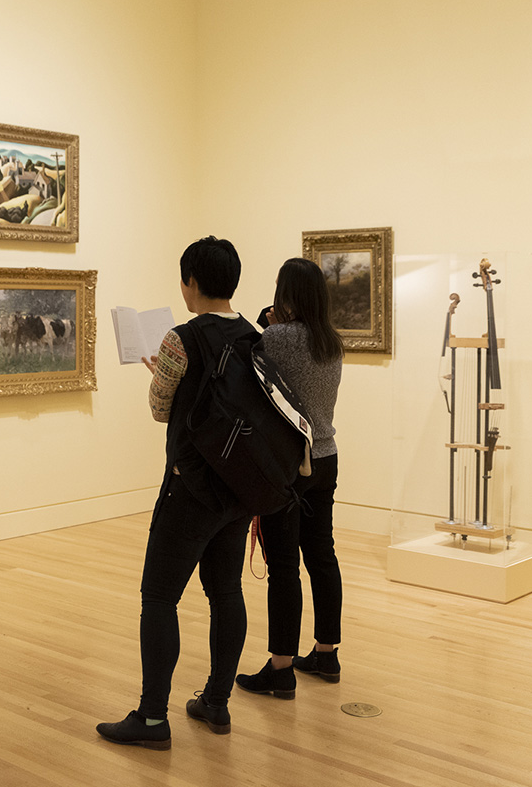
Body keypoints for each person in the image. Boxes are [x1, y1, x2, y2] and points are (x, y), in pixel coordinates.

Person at [96, 236, 257, 750]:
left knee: (160, 597)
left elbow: (161, 409)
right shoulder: (256, 337)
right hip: (238, 490)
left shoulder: (179, 339)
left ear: (192, 282)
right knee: (226, 592)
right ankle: (216, 701)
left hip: (190, 490)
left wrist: (160, 378)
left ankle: (150, 718)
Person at [236, 257, 344, 699]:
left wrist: (264, 324)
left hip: (289, 463)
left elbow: (251, 361)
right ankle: (326, 652)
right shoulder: (332, 341)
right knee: (322, 556)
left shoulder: (278, 338)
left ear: (287, 293)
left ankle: (281, 667)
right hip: (326, 457)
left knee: (283, 566)